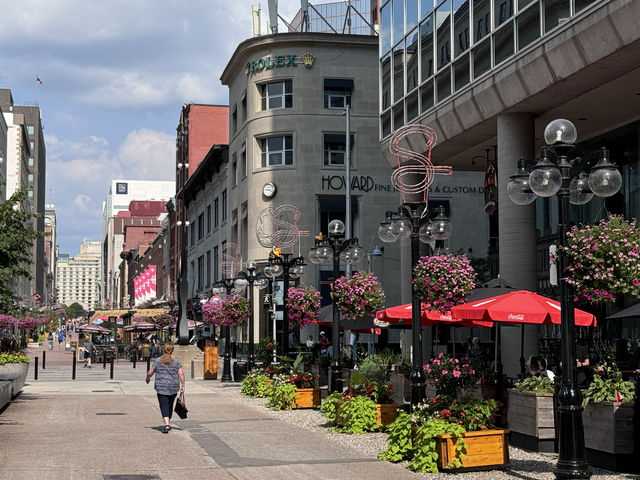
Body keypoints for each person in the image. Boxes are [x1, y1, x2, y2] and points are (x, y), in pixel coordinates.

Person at [146, 343, 185, 433]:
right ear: (172, 350)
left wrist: (148, 378)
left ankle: (167, 424)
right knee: (170, 404)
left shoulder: (158, 360)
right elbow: (181, 374)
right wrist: (183, 385)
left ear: (163, 350)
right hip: (173, 386)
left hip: (161, 386)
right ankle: (168, 422)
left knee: (164, 404)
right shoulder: (176, 361)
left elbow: (151, 371)